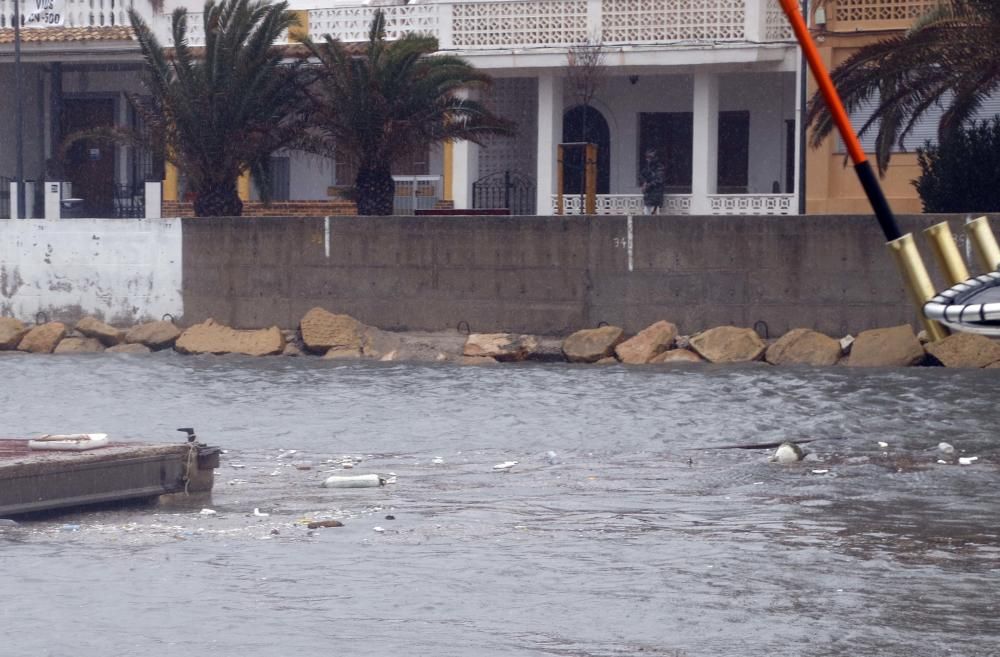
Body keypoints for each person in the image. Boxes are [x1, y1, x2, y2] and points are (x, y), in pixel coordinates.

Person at [639, 148, 666, 215]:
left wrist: (648, 185)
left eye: (650, 157)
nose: (648, 159)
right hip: (648, 196)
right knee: (646, 214)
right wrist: (644, 182)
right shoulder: (647, 167)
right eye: (647, 157)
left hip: (656, 195)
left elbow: (659, 180)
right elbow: (642, 175)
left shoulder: (659, 167)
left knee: (654, 215)